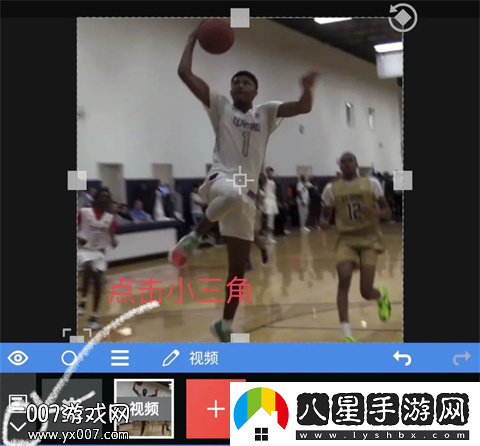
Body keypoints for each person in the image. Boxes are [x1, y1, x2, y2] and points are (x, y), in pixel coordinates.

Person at [169, 22, 320, 342]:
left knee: (238, 270)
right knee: (235, 193)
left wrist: (307, 88)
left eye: (246, 82)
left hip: (246, 194)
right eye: (235, 82)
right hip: (222, 177)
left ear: (255, 91)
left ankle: (225, 325)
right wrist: (193, 38)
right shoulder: (220, 106)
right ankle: (193, 238)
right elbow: (184, 73)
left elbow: (304, 106)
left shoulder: (267, 113)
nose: (239, 85)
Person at [319, 152, 392, 342]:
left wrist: (375, 212)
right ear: (340, 166)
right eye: (343, 162)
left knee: (365, 292)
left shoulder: (372, 184)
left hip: (369, 238)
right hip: (346, 239)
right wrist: (324, 222)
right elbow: (325, 214)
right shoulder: (331, 189)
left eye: (350, 160)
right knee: (343, 278)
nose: (347, 164)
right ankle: (347, 334)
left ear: (356, 163)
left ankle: (380, 296)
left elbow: (387, 212)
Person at [77, 188, 118, 330]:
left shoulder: (110, 219)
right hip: (83, 250)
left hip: (99, 253)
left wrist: (114, 241)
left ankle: (94, 316)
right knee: (89, 267)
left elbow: (112, 237)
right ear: (97, 198)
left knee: (98, 281)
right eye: (102, 196)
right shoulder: (84, 212)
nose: (104, 199)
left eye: (107, 197)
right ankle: (83, 301)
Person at [263, 166, 279, 244]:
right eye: (269, 172)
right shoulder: (265, 180)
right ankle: (268, 238)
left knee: (272, 220)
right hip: (268, 200)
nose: (271, 173)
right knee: (269, 220)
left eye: (272, 172)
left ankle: (270, 236)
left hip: (273, 200)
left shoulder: (273, 181)